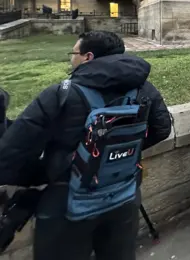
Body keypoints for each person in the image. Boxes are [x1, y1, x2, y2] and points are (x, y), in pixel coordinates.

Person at [0, 31, 171, 260]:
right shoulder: (144, 89)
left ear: (88, 56)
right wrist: (121, 152)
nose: (72, 58)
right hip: (125, 196)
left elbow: (9, 156)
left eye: (74, 53)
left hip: (68, 205)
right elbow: (162, 129)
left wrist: (47, 172)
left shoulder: (61, 93)